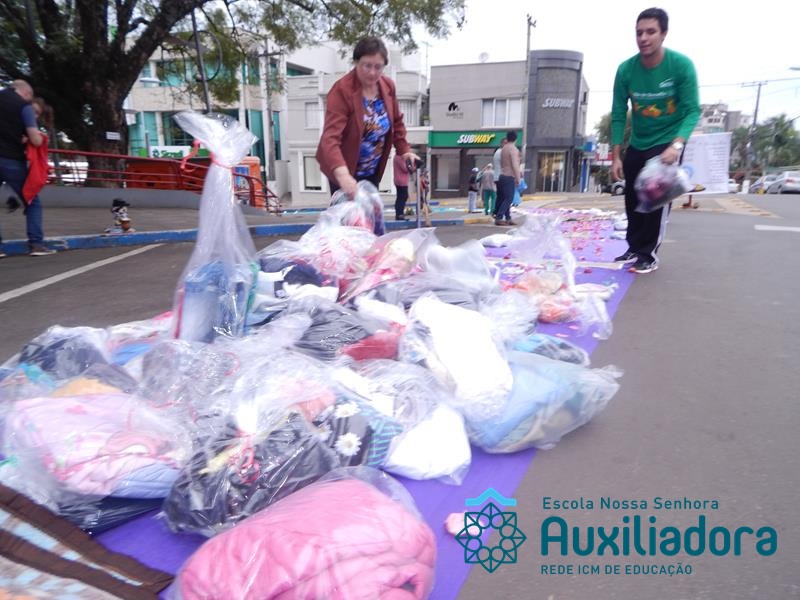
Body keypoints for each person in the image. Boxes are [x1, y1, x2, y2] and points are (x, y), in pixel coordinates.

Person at [610, 7, 700, 274]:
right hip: (639, 141)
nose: (643, 38)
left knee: (654, 199)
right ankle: (634, 247)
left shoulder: (681, 66)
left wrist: (677, 145)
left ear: (663, 34)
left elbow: (693, 110)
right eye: (639, 33)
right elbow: (618, 113)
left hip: (667, 141)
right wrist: (616, 156)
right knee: (632, 197)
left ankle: (648, 254)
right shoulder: (626, 70)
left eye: (650, 32)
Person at [316, 36, 420, 201]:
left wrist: (405, 152)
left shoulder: (388, 86)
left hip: (372, 171)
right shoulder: (342, 90)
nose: (372, 72)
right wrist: (343, 175)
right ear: (356, 62)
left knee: (370, 214)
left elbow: (397, 122)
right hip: (344, 170)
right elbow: (330, 138)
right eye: (367, 65)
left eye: (378, 67)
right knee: (348, 216)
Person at [0, 80, 55, 257]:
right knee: (32, 201)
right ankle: (36, 244)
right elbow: (36, 140)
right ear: (27, 94)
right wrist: (36, 137)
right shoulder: (24, 106)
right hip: (11, 159)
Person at [495, 131, 521, 226]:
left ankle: (508, 218)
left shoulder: (504, 149)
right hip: (509, 176)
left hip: (501, 175)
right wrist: (518, 178)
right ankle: (499, 217)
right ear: (515, 139)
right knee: (509, 198)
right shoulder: (513, 149)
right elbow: (515, 164)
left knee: (504, 198)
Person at [392, 152, 410, 220]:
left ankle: (399, 214)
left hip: (399, 180)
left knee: (401, 197)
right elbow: (405, 169)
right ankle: (399, 214)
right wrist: (409, 163)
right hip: (401, 181)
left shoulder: (397, 157)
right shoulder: (399, 157)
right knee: (403, 197)